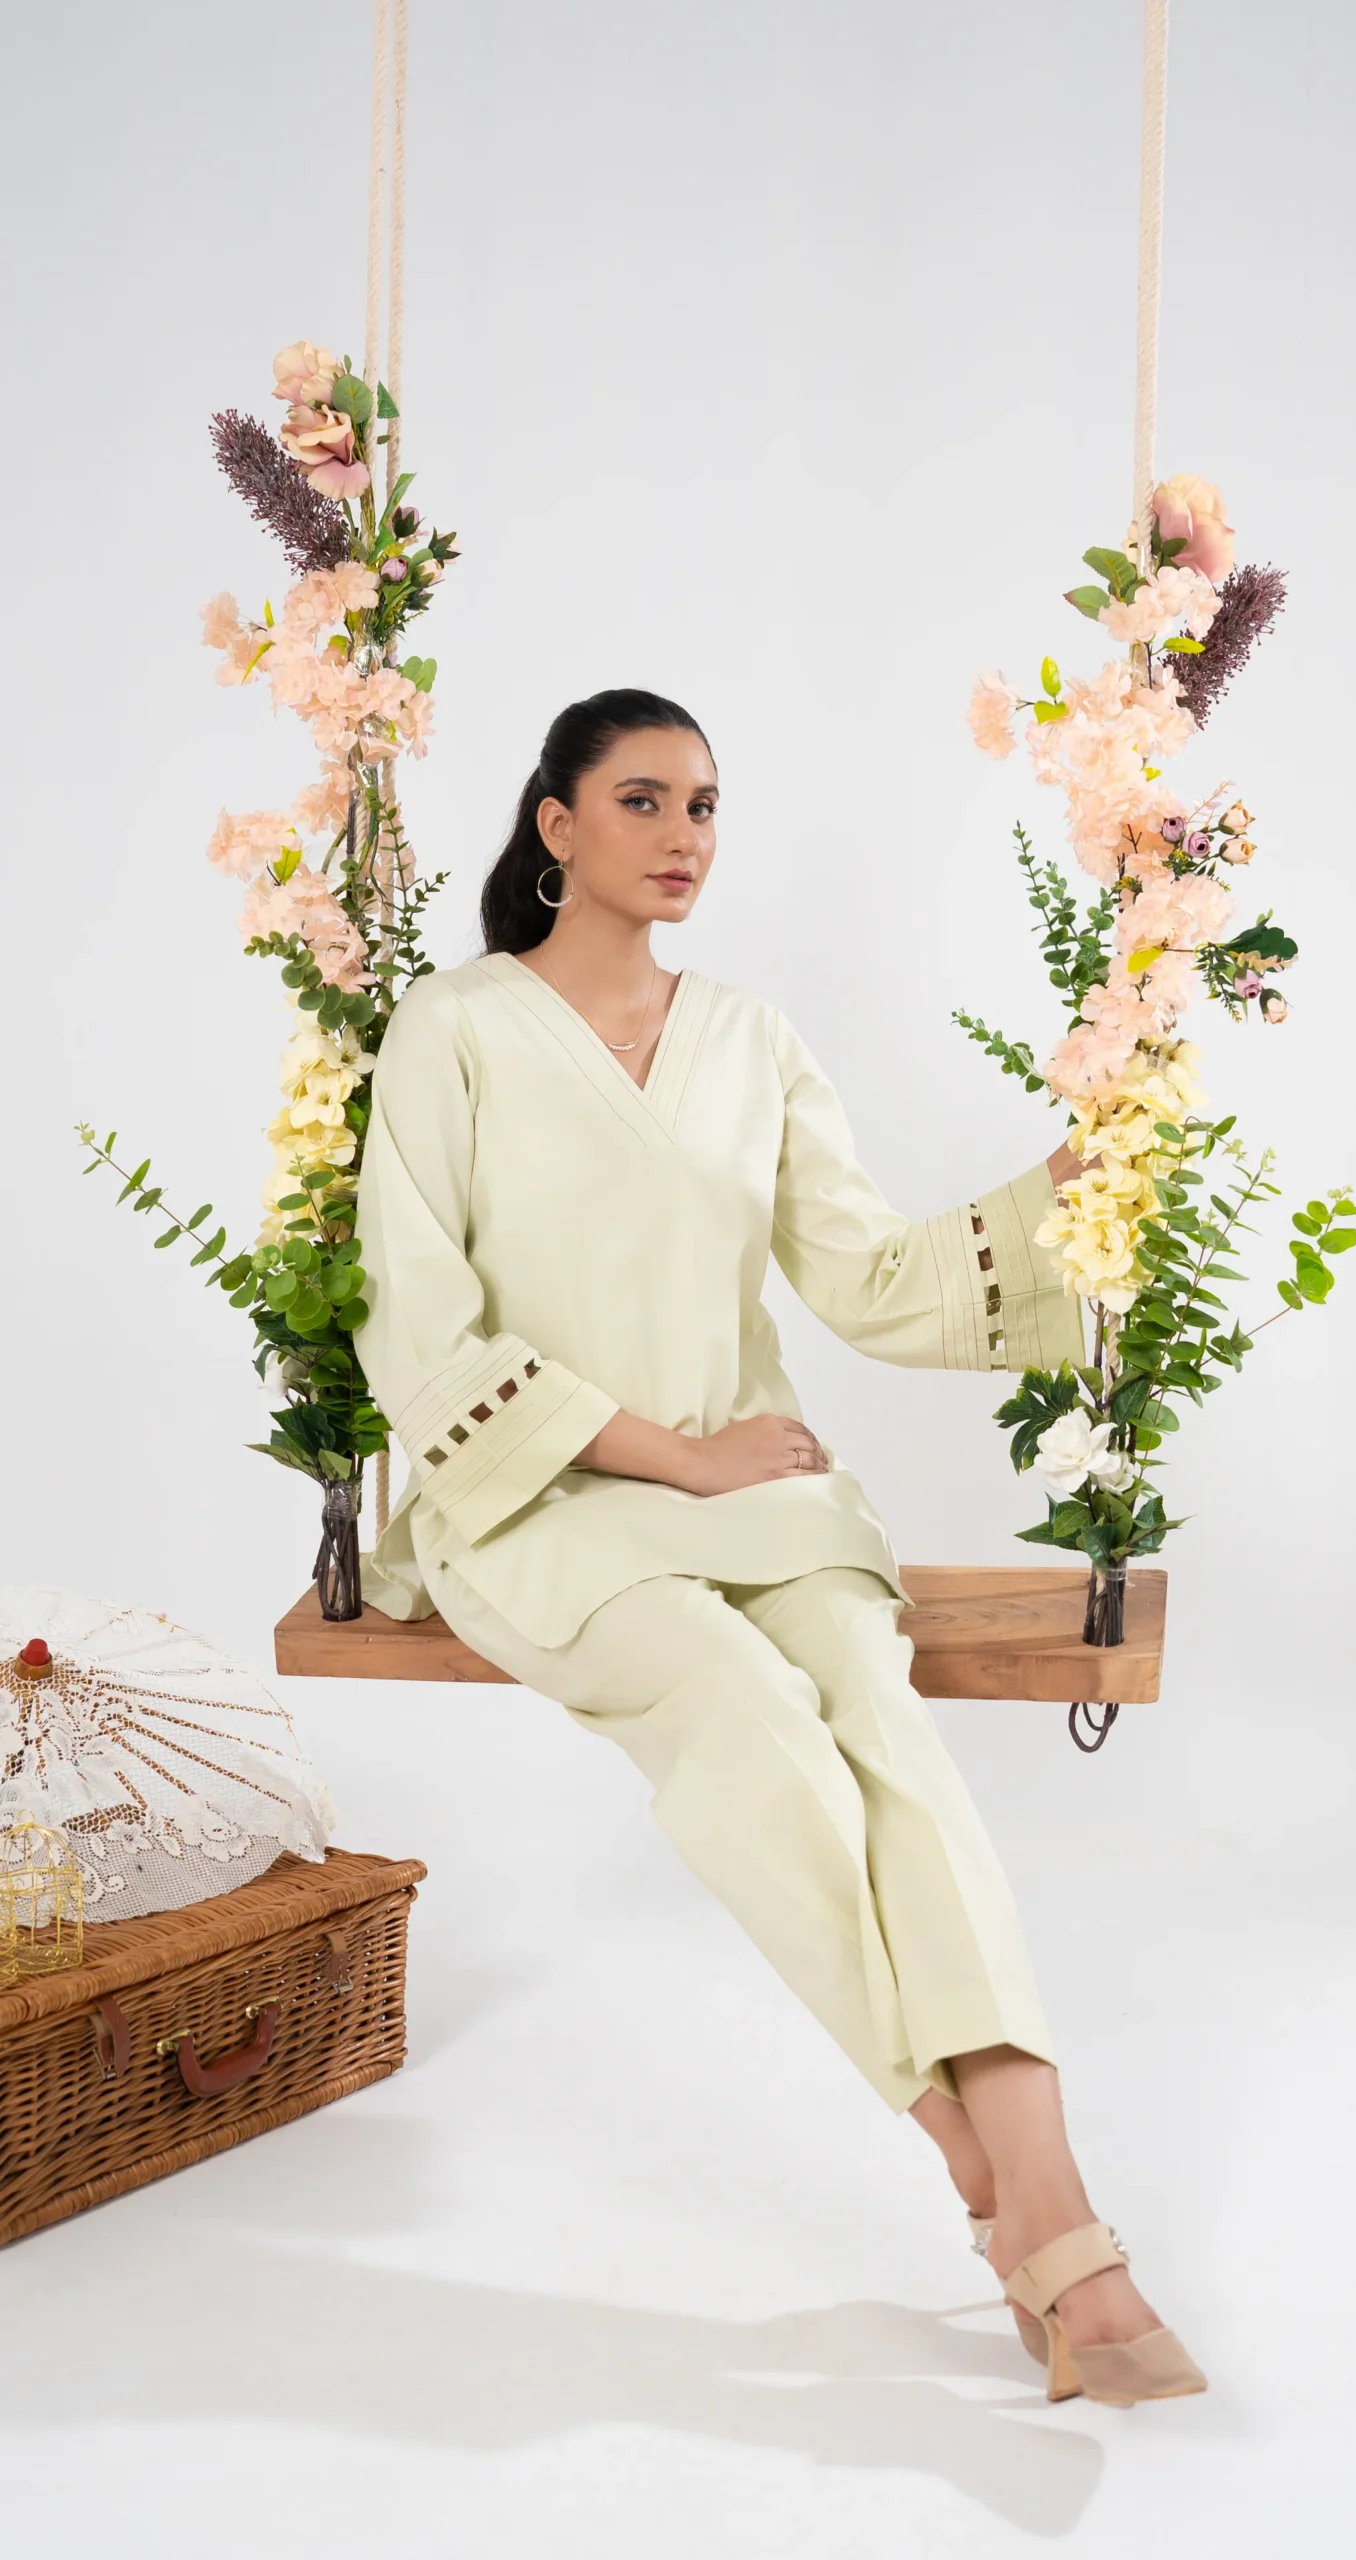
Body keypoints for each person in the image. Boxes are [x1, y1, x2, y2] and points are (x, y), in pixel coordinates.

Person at [353, 687, 1206, 2408]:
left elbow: (870, 1279)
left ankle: (1036, 2187)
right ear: (556, 824)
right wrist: (673, 1455)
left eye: (706, 805)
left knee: (880, 1726)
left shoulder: (749, 1039)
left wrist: (1071, 1186)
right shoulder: (452, 1028)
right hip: (541, 1499)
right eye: (643, 800)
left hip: (759, 1492)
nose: (684, 836)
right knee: (747, 1722)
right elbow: (420, 1326)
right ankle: (991, 2176)